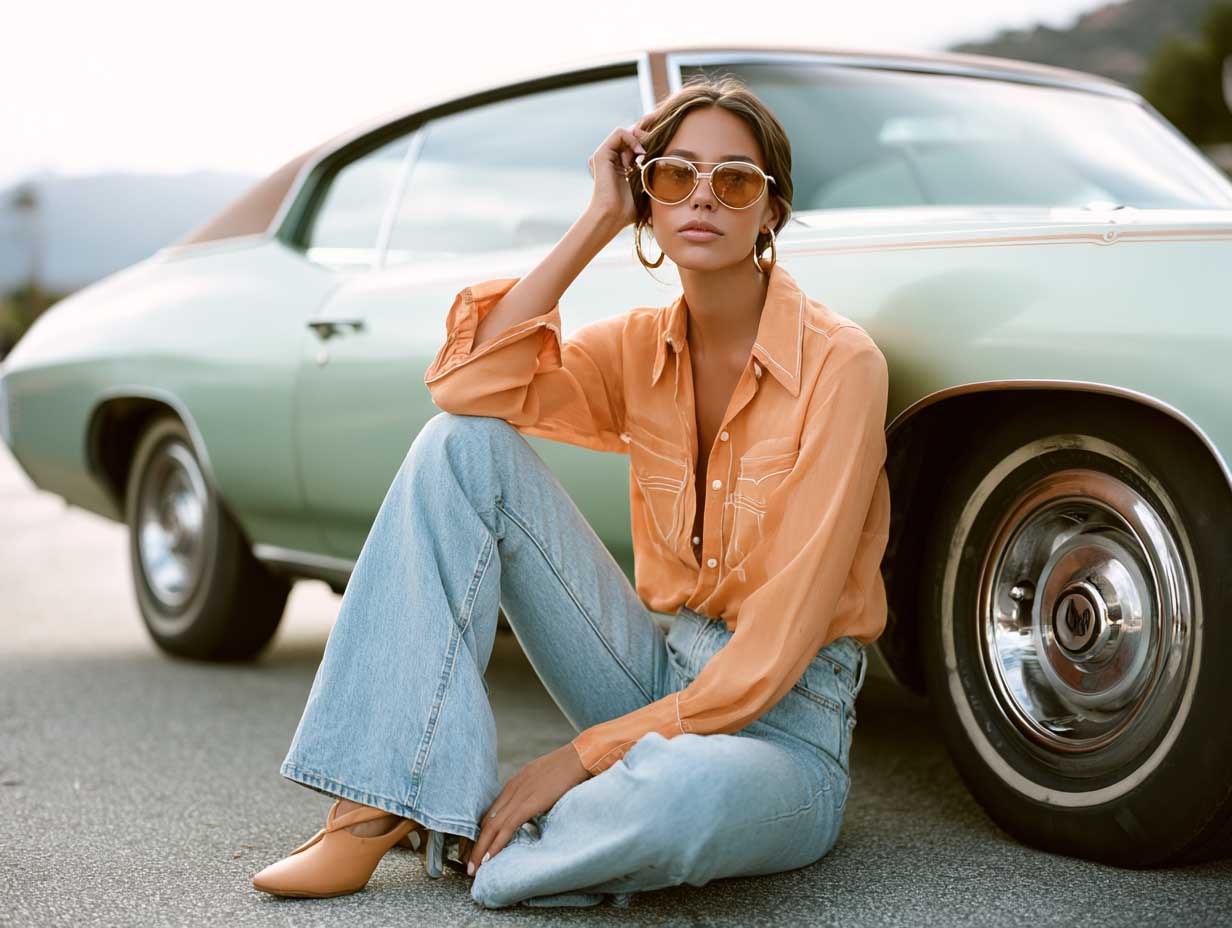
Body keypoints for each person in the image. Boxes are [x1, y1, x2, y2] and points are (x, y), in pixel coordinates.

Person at [251, 74, 890, 908]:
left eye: (734, 180)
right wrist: (593, 221)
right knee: (461, 449)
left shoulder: (841, 367)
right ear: (647, 200)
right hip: (661, 673)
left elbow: (772, 657)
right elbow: (468, 387)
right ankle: (375, 804)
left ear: (770, 211)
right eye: (673, 176)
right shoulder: (638, 348)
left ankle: (481, 837)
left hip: (783, 731)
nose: (702, 197)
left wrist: (579, 757)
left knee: (678, 800)